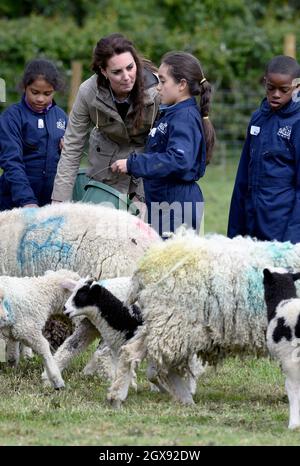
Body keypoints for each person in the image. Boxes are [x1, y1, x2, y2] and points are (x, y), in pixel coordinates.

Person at [111, 51, 216, 236]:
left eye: (162, 81)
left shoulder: (184, 118)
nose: (158, 87)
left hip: (177, 205)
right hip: (164, 203)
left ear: (182, 84)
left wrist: (133, 164)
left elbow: (178, 160)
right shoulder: (172, 114)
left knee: (172, 263)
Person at [51, 33, 160, 204]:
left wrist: (142, 194)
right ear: (103, 71)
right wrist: (59, 199)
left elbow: (165, 144)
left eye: (130, 67)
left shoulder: (157, 90)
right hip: (106, 172)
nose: (126, 76)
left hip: (146, 170)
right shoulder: (88, 92)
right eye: (117, 72)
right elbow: (72, 146)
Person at [227, 55, 300, 244]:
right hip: (252, 221)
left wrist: (292, 242)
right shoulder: (257, 118)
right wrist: (234, 234)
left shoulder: (297, 124)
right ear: (265, 83)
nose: (276, 94)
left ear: (297, 87)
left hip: (281, 228)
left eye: (284, 90)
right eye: (270, 88)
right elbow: (242, 178)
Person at [0, 59, 67, 210]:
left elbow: (69, 162)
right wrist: (27, 201)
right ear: (25, 87)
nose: (40, 99)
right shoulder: (11, 117)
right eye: (35, 92)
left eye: (47, 93)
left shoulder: (61, 117)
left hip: (50, 205)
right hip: (14, 204)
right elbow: (11, 162)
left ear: (54, 90)